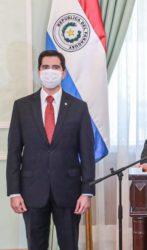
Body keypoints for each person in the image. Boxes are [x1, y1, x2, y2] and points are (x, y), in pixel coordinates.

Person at [6, 50, 95, 250]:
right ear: (39, 71)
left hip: (69, 192)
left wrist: (87, 192)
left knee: (69, 245)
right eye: (45, 67)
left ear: (63, 73)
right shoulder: (21, 107)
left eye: (55, 67)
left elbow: (87, 153)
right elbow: (13, 152)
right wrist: (14, 192)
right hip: (32, 192)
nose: (50, 71)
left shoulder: (79, 108)